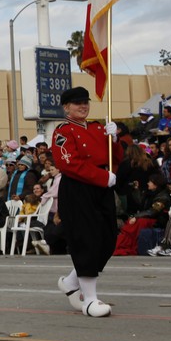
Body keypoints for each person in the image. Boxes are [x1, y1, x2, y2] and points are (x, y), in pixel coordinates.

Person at [51, 86, 123, 317]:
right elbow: (68, 164)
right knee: (86, 240)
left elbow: (116, 157)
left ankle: (71, 281)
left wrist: (115, 139)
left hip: (102, 187)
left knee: (107, 239)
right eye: (77, 103)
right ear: (66, 107)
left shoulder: (97, 128)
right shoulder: (63, 131)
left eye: (85, 102)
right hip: (78, 188)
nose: (83, 106)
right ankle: (90, 299)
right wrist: (102, 177)